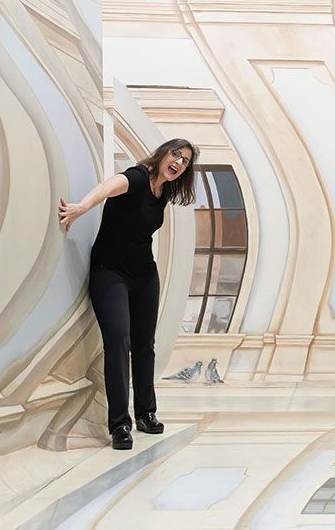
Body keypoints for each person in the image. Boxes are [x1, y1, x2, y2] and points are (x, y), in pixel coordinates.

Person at [59, 139, 198, 449]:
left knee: (144, 345)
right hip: (110, 271)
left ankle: (146, 414)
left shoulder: (165, 192)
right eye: (176, 154)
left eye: (186, 161)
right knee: (118, 340)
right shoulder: (137, 178)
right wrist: (81, 207)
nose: (179, 162)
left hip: (145, 275)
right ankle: (120, 424)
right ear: (163, 153)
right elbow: (109, 186)